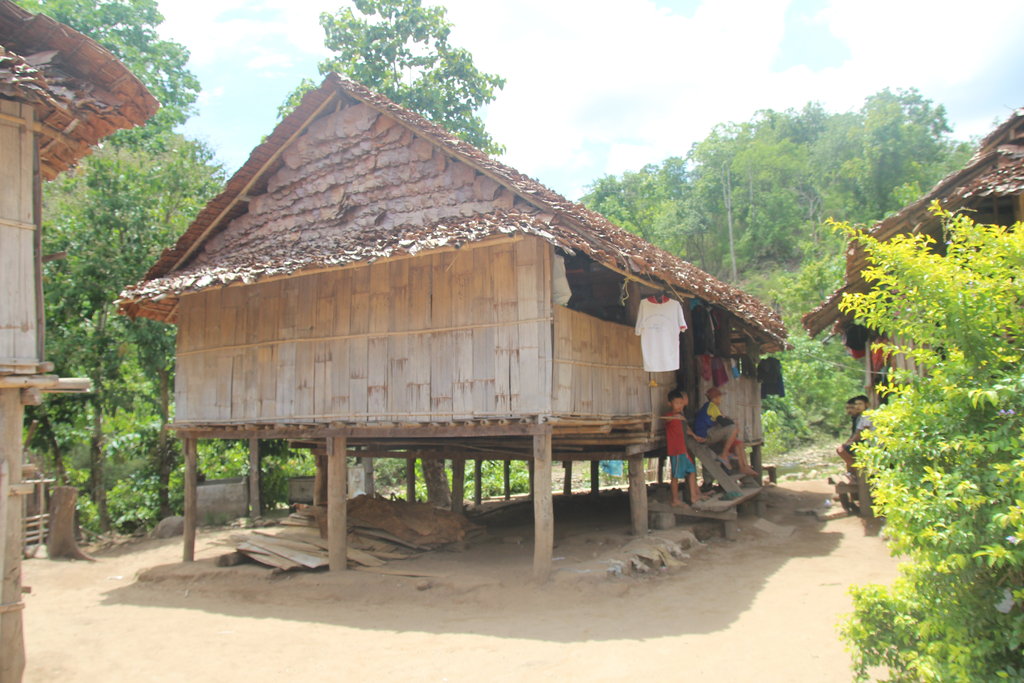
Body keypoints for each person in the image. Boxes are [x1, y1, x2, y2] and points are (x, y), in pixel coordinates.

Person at [693, 387, 758, 477]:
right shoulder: (712, 406)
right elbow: (723, 422)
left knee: (737, 439)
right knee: (733, 428)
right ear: (714, 398)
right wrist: (730, 421)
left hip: (707, 433)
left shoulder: (709, 407)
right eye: (719, 397)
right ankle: (724, 454)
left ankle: (742, 465)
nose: (721, 399)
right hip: (705, 435)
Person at [664, 389, 709, 506]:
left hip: (683, 450)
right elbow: (667, 419)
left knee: (692, 470)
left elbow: (686, 428)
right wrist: (675, 417)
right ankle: (675, 500)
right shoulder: (669, 416)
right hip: (676, 451)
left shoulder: (681, 416)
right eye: (676, 403)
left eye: (680, 403)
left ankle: (694, 496)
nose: (679, 405)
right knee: (675, 476)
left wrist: (694, 436)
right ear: (670, 404)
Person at [837, 395, 873, 478]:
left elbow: (862, 432)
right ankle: (853, 472)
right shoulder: (861, 416)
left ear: (866, 404)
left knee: (842, 450)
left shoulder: (867, 415)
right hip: (864, 442)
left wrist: (849, 443)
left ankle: (860, 471)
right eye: (856, 404)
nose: (857, 407)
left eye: (860, 404)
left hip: (869, 443)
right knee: (844, 450)